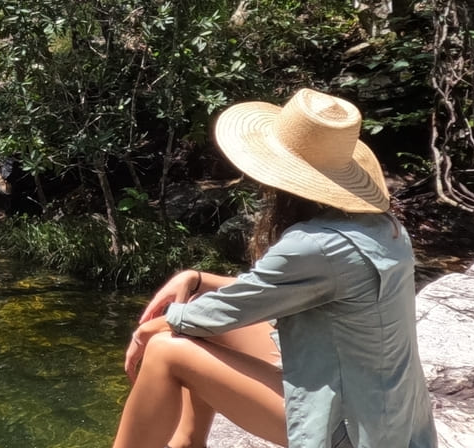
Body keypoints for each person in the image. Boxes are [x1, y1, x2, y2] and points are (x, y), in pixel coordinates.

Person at [113, 89, 437, 448]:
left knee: (165, 349)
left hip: (350, 433)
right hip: (391, 424)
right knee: (195, 319)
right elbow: (266, 293)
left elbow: (228, 310)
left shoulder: (314, 244)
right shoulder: (384, 228)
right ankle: (186, 442)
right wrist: (198, 280)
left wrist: (153, 327)